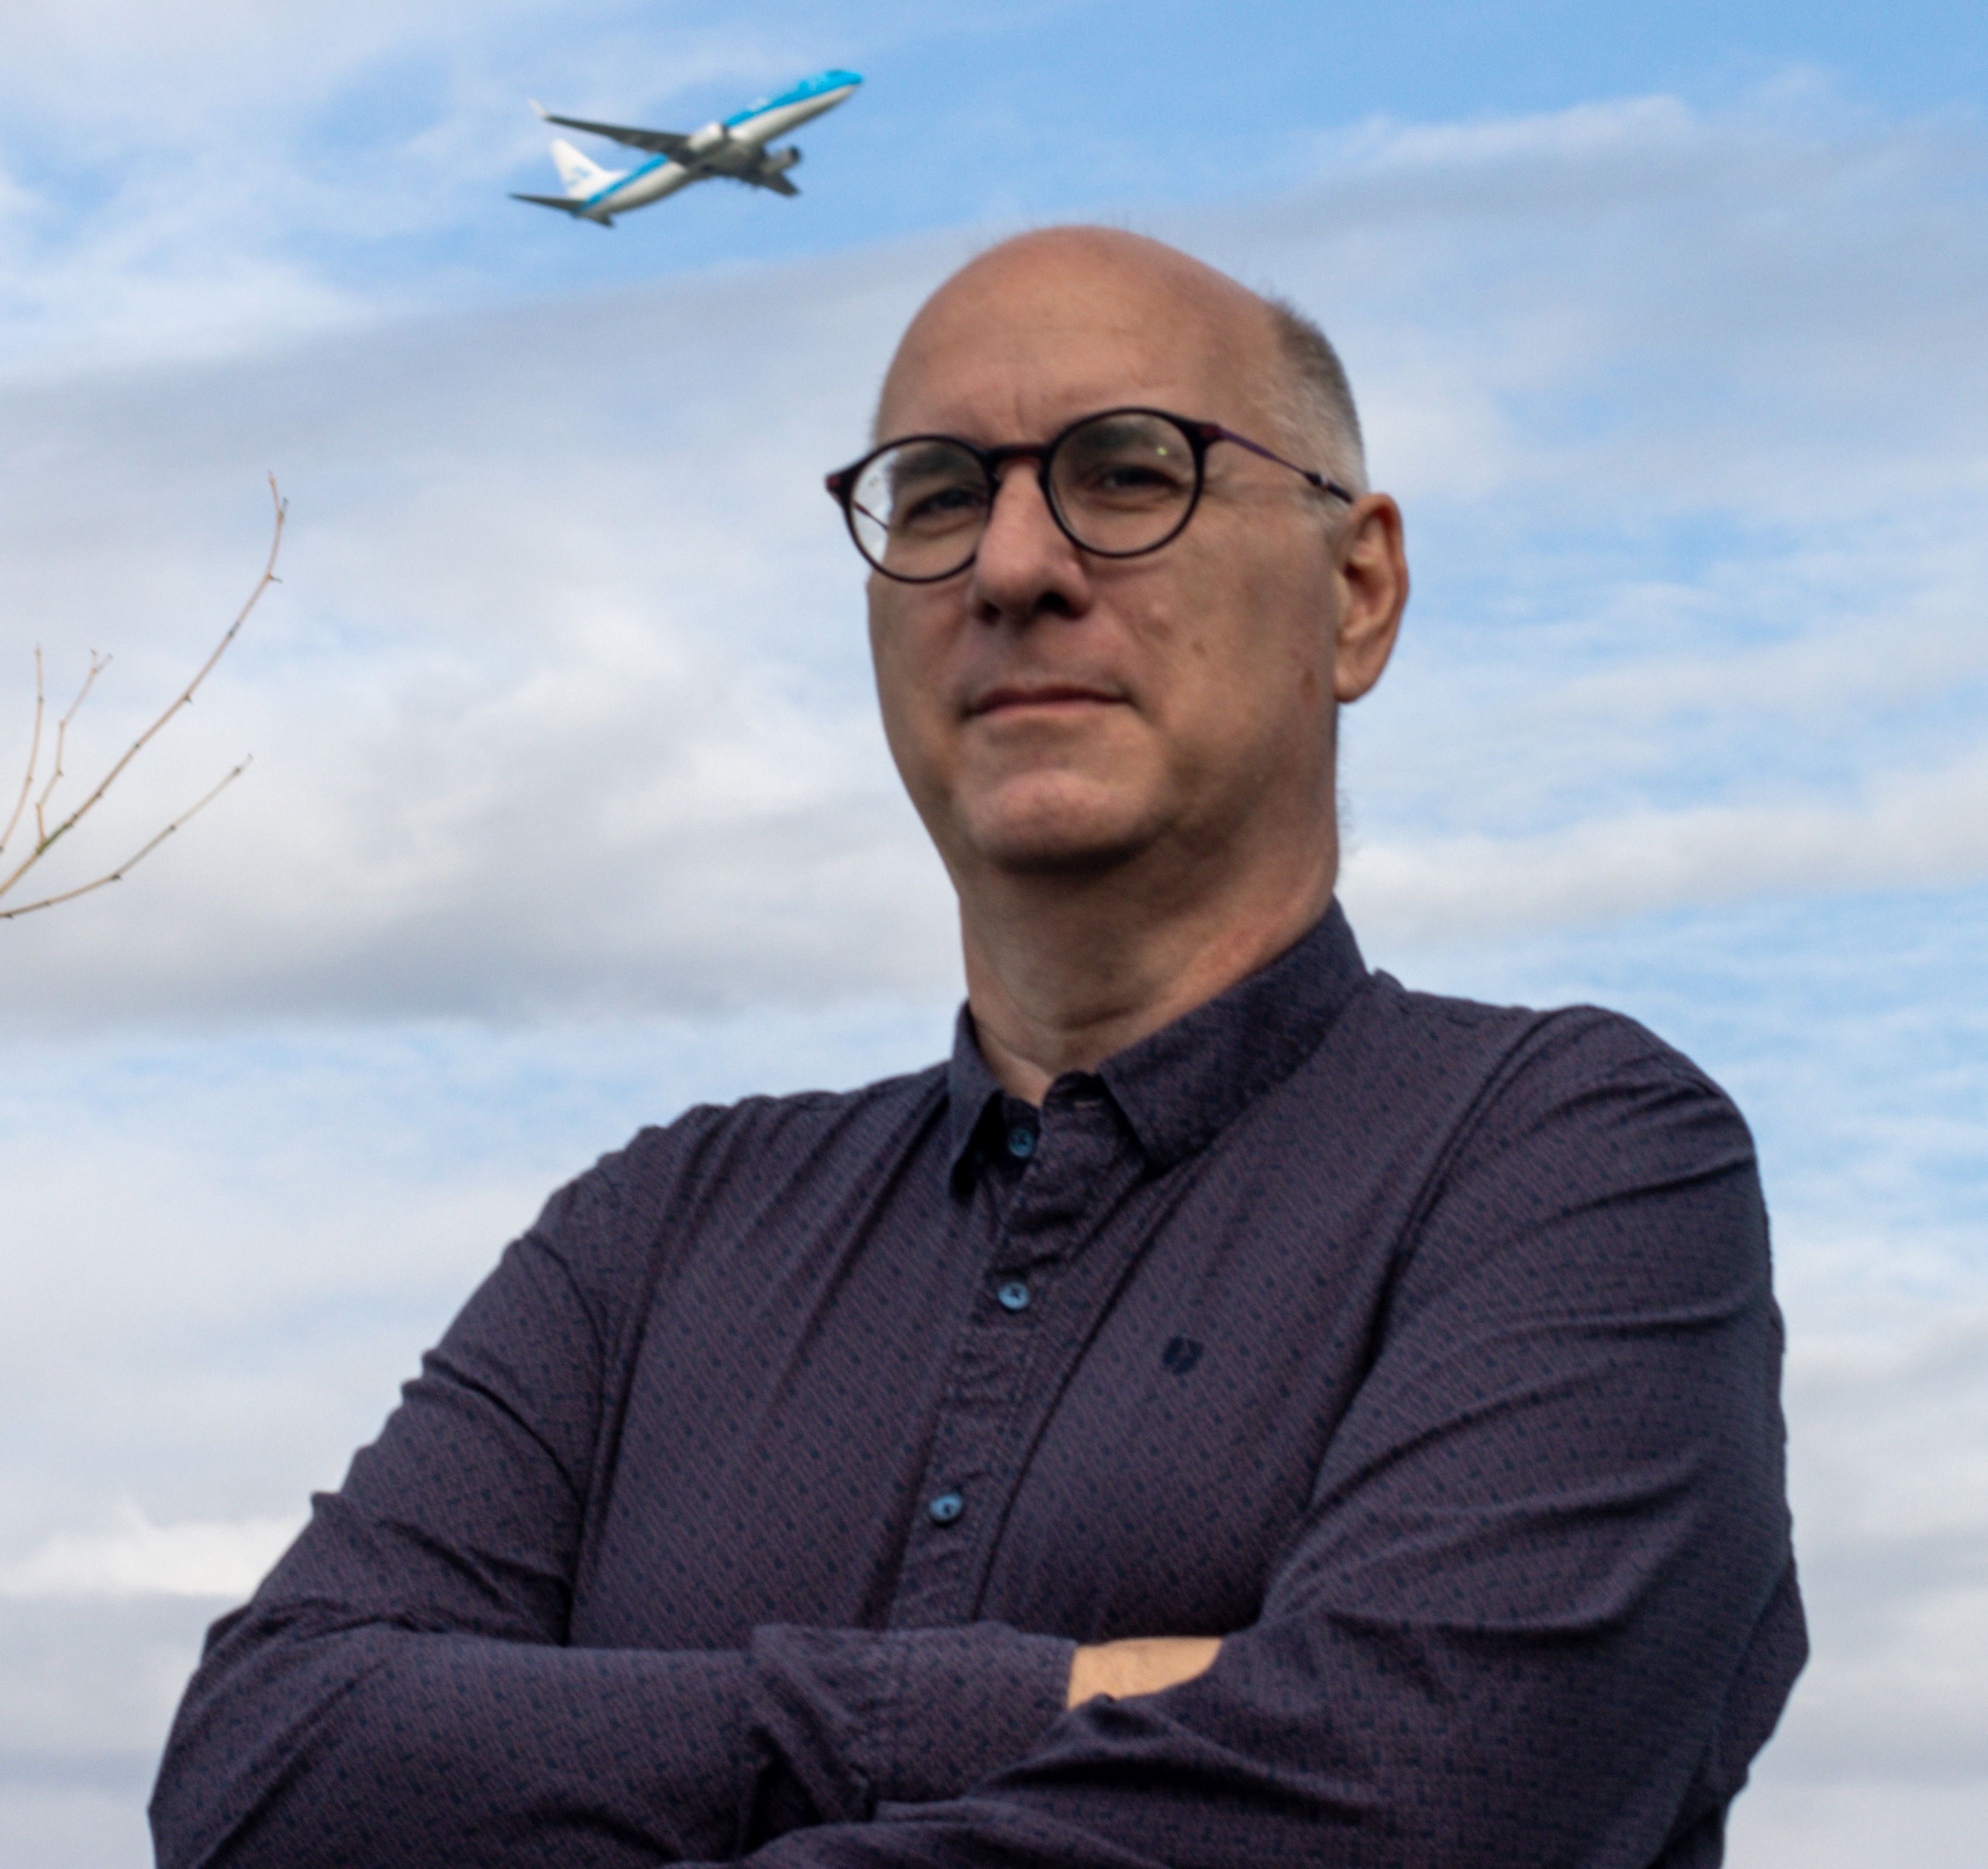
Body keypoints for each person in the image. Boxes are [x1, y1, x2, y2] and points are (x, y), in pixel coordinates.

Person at [152, 226, 1805, 1869]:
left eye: (1130, 470)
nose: (1017, 565)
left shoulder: (1571, 1166)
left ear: (1355, 592)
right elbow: (259, 1776)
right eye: (940, 493)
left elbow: (1430, 1801)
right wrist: (1067, 1700)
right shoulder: (655, 1236)